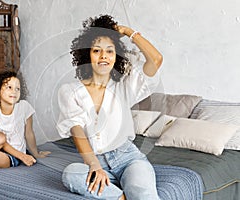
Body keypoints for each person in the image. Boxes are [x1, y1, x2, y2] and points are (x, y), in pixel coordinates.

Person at [56, 15, 163, 200]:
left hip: (129, 159)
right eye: (97, 50)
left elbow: (156, 59)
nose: (103, 56)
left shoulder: (124, 85)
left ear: (116, 57)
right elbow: (77, 131)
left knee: (142, 192)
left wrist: (129, 32)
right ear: (87, 55)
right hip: (96, 161)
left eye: (110, 51)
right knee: (71, 174)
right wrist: (94, 165)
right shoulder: (70, 91)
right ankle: (120, 197)